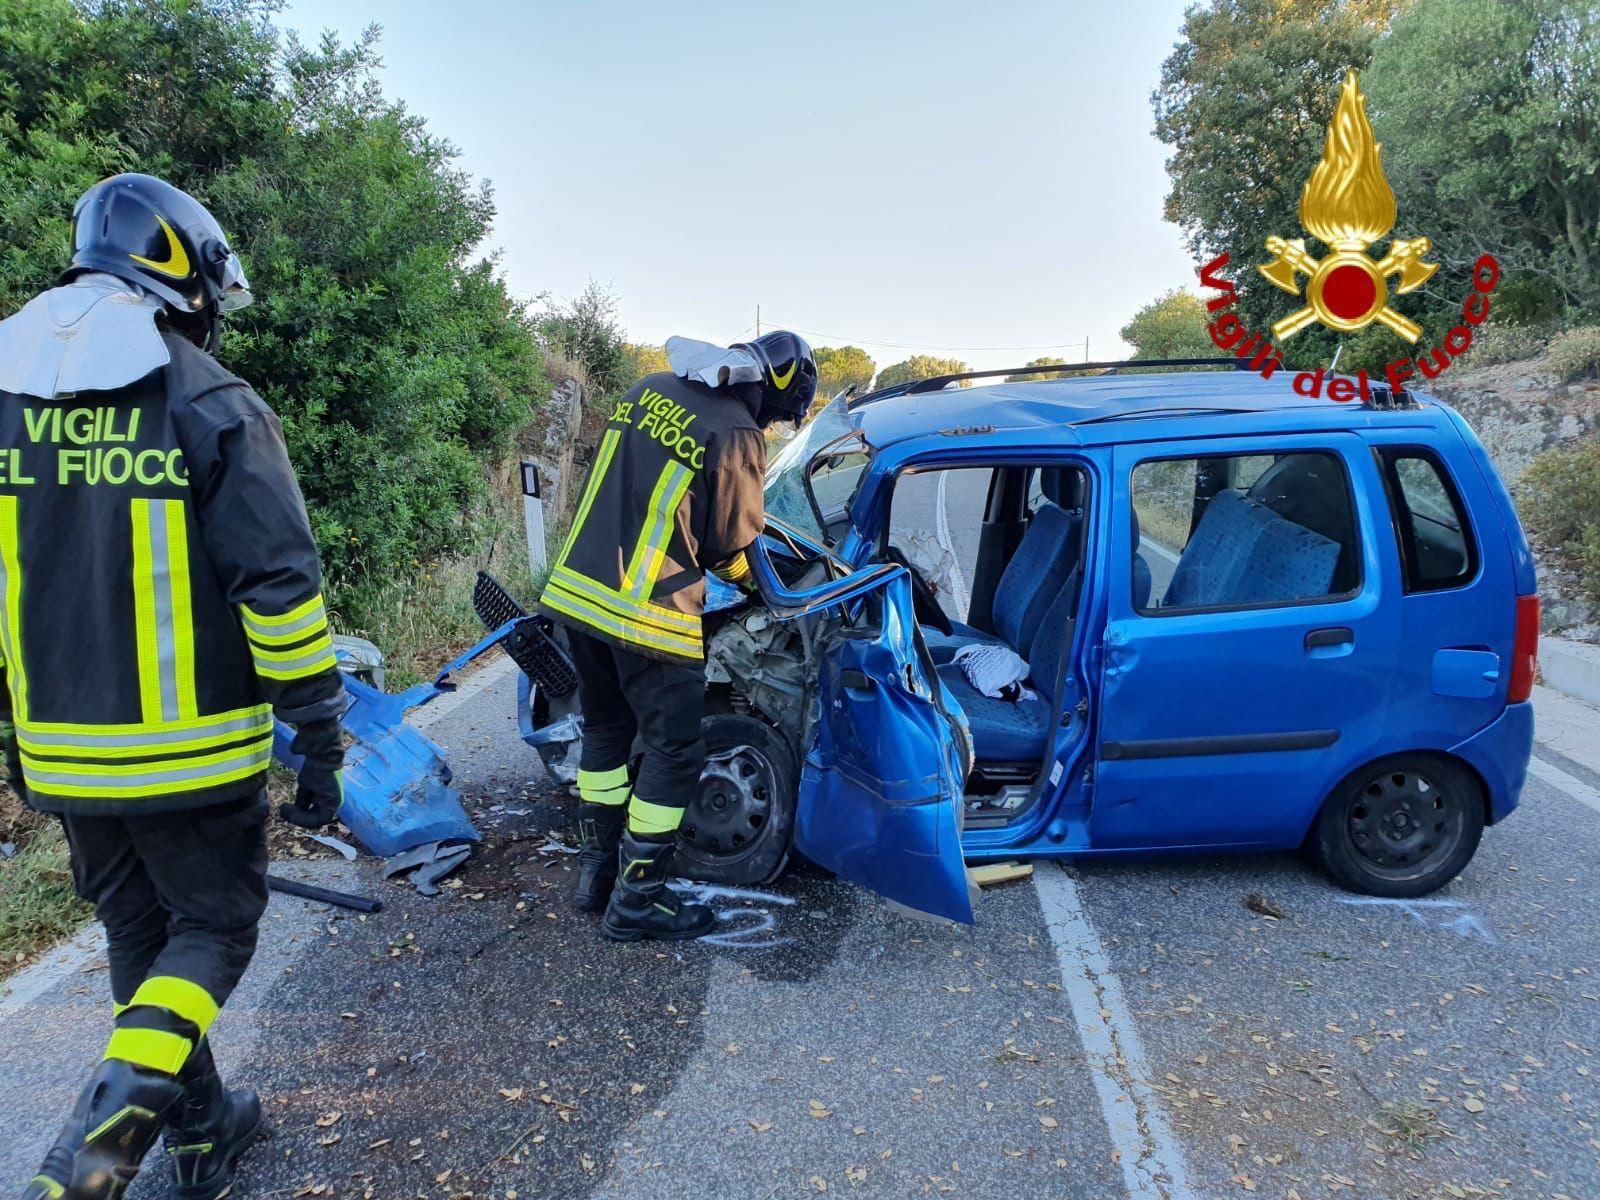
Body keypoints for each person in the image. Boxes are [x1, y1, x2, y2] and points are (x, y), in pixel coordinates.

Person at [1, 174, 345, 1200]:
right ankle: (86, 1168)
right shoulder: (207, 400)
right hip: (190, 754)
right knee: (213, 931)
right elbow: (278, 588)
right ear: (185, 276)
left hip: (63, 751)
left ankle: (202, 1132)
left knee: (141, 939)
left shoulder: (8, 398)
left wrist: (12, 734)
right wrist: (319, 733)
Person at [536, 330, 816, 941]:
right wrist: (766, 586)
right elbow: (728, 546)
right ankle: (639, 901)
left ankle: (596, 878)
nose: (771, 426)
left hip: (577, 596)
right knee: (676, 753)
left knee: (606, 733)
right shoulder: (736, 431)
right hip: (649, 615)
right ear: (775, 395)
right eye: (778, 416)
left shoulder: (648, 389)